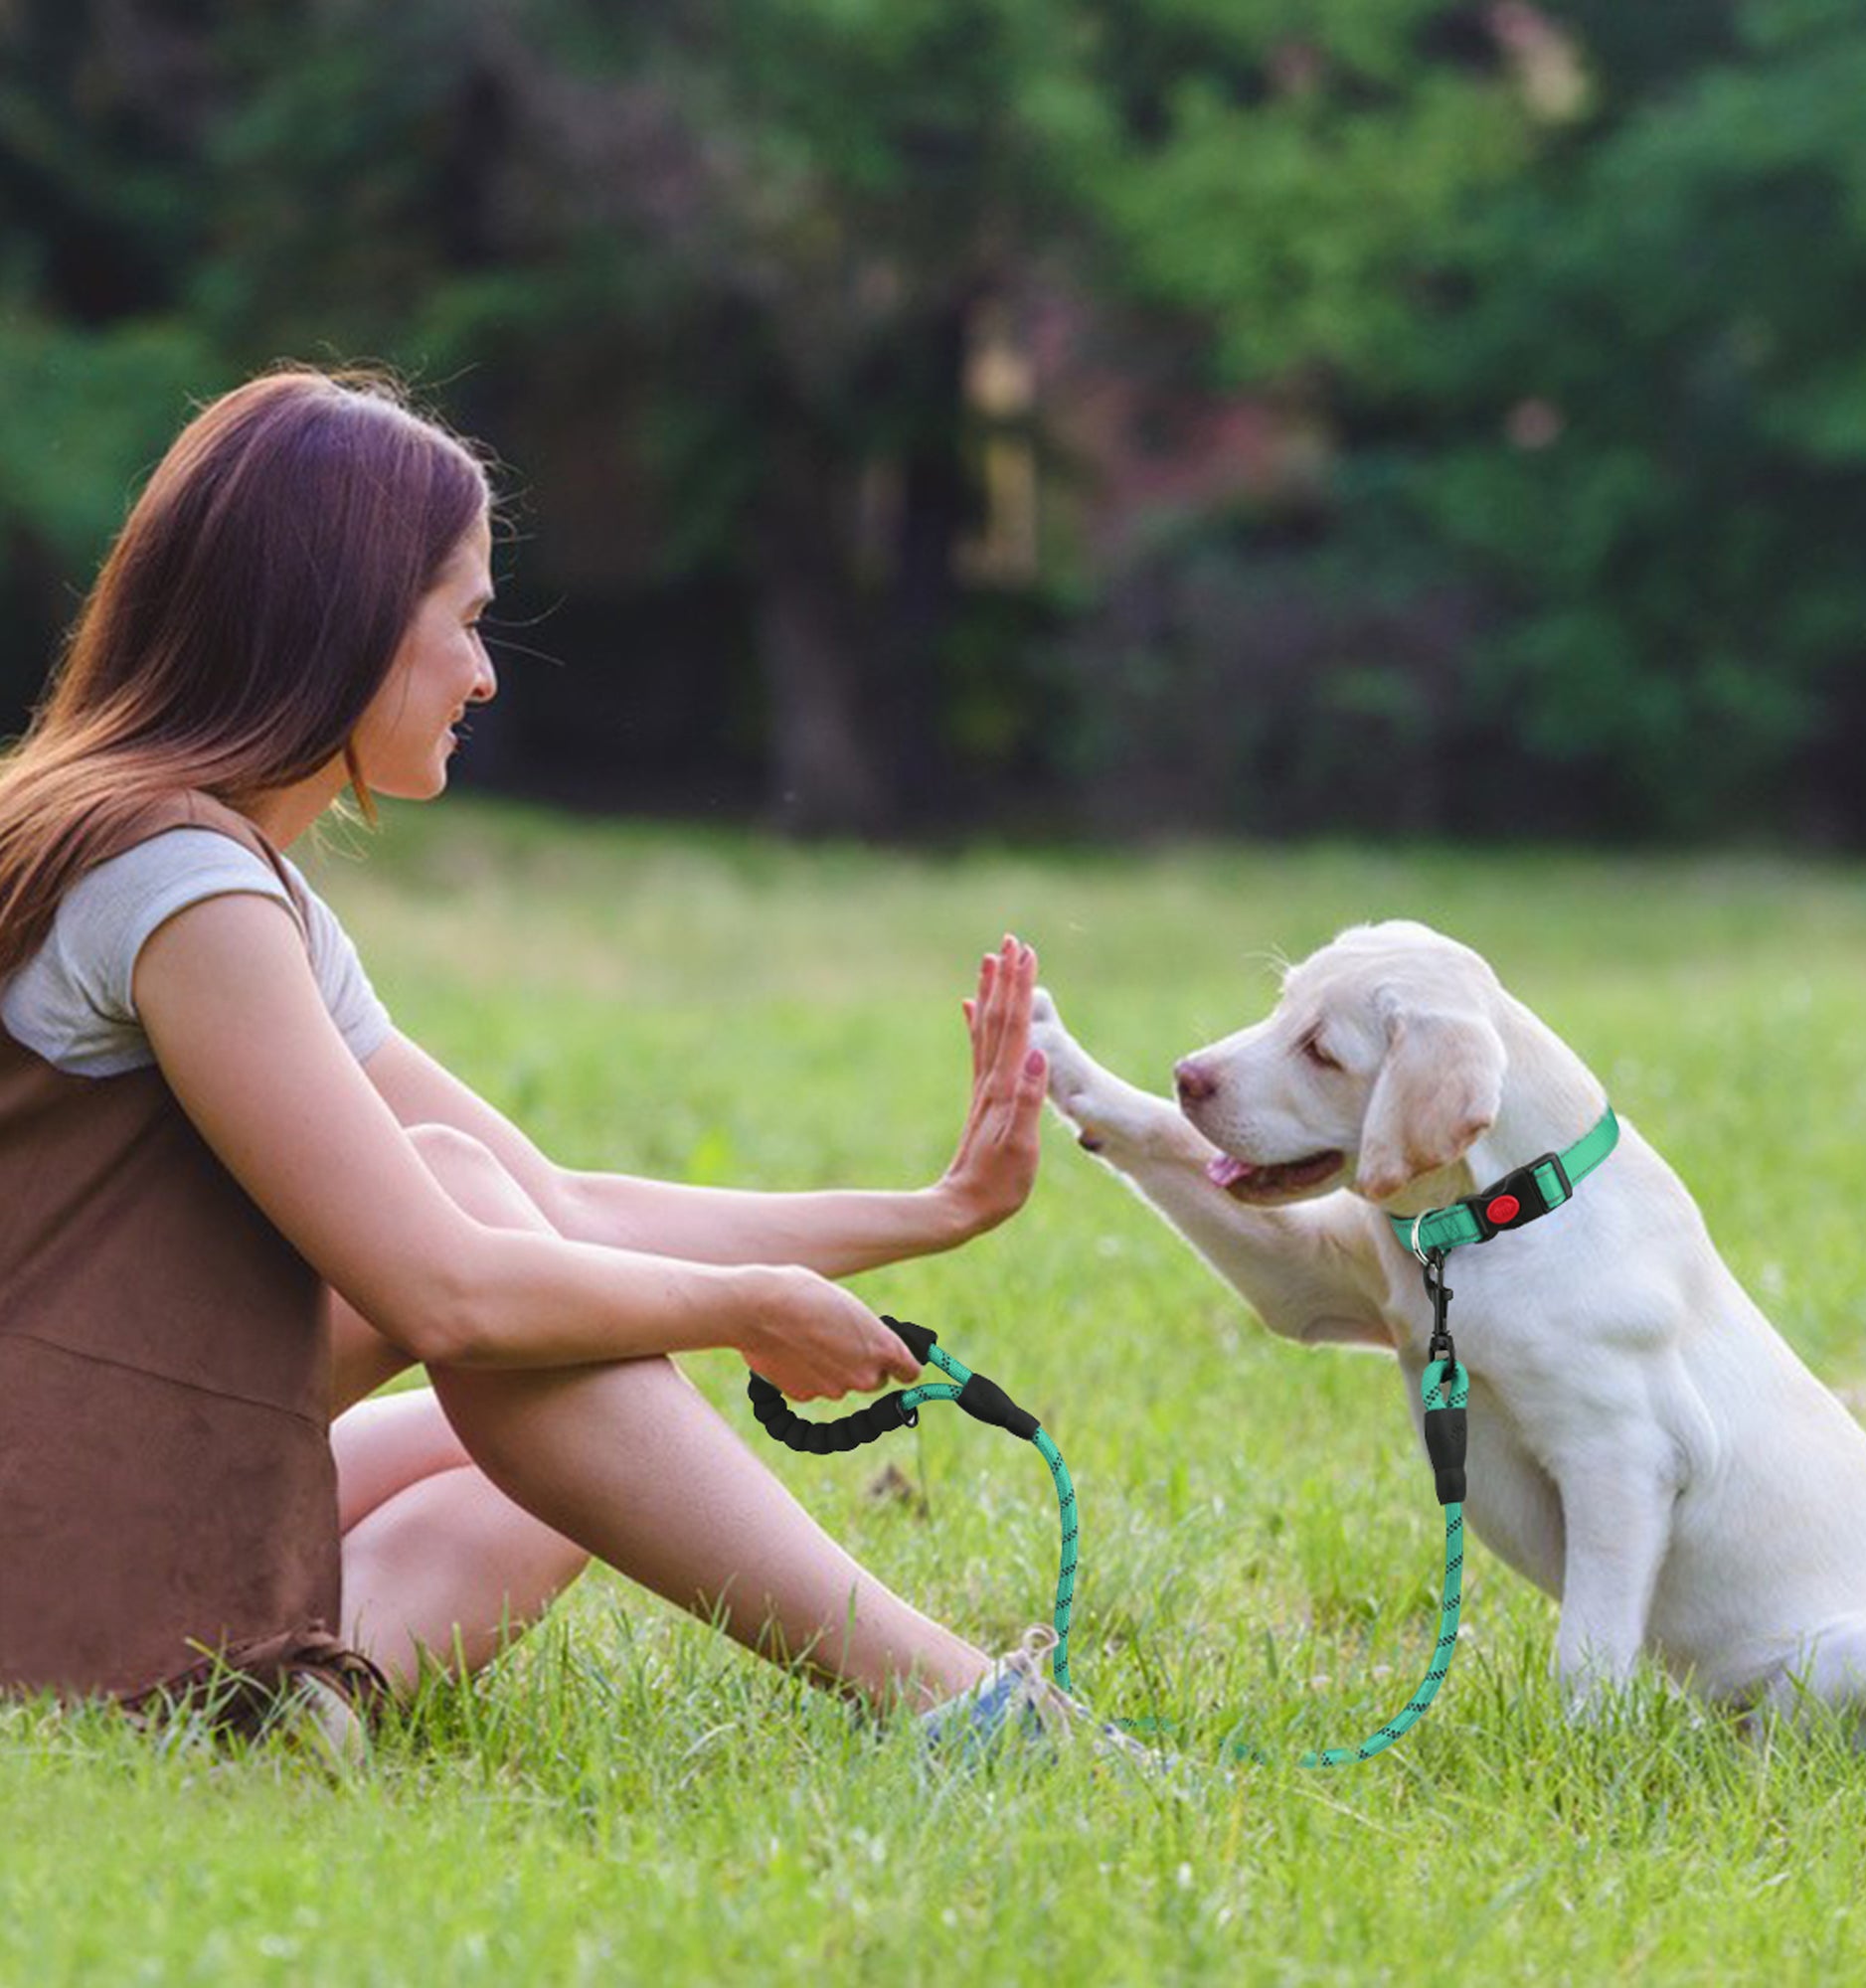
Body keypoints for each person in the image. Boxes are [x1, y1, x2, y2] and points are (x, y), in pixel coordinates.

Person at [0, 367, 1091, 1754]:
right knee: (505, 1289)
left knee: (559, 1458)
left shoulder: (208, 866)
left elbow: (550, 1212)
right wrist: (737, 1305)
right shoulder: (177, 886)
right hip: (37, 1510)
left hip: (64, 1465)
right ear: (344, 626)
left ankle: (279, 1720)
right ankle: (961, 1710)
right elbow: (446, 1289)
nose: (483, 673)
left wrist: (934, 1216)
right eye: (463, 623)